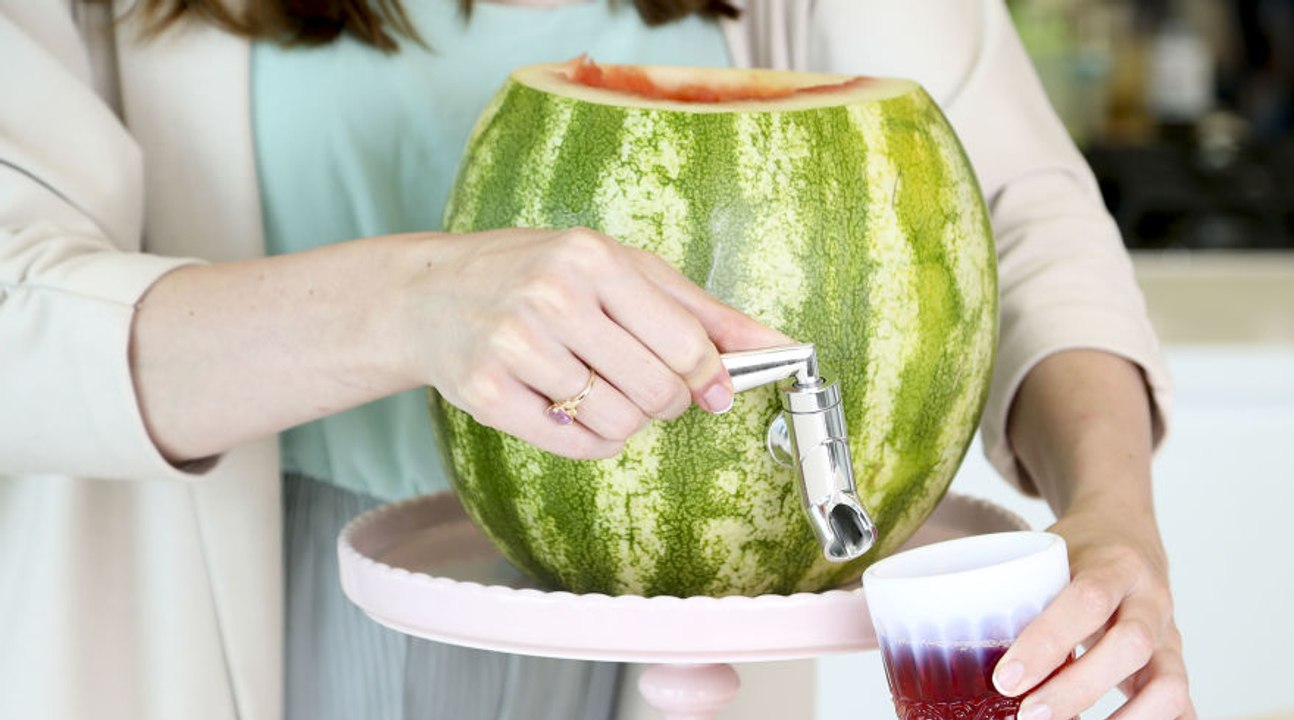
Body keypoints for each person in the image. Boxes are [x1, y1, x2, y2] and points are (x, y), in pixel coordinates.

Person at [0, 0, 1195, 719]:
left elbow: (1016, 218)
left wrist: (1111, 511)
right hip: (250, 620)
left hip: (679, 633)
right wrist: (415, 304)